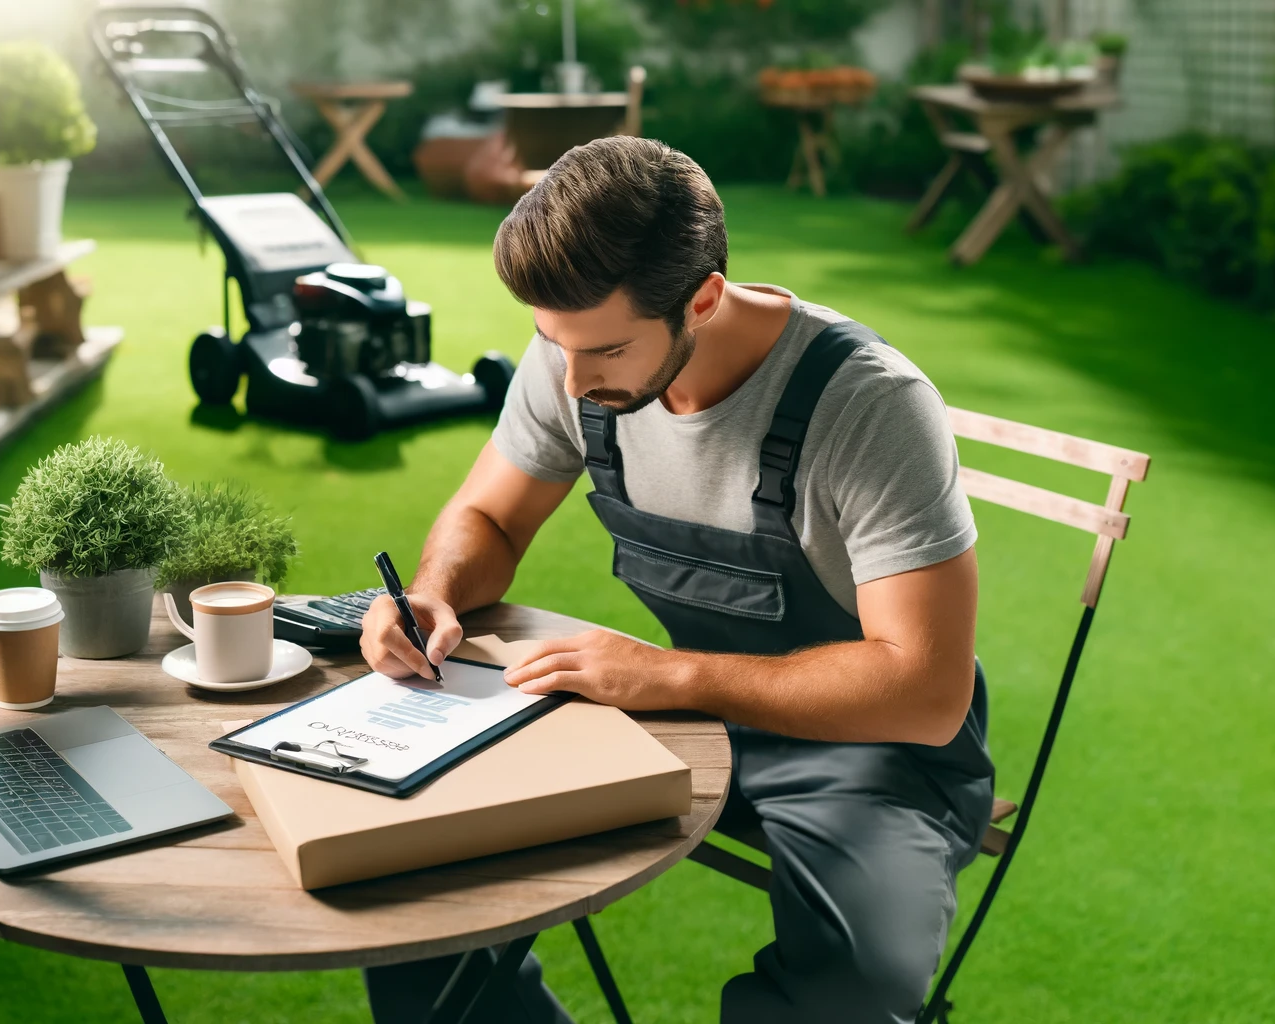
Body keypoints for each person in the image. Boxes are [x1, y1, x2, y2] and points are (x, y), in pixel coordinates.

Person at [358, 136, 994, 1024]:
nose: (573, 382)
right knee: (412, 874)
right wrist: (433, 590)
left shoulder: (871, 407)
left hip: (873, 756)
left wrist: (672, 675)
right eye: (553, 344)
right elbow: (490, 518)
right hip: (682, 718)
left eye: (606, 353)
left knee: (852, 991)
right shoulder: (578, 352)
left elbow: (925, 691)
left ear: (701, 297)